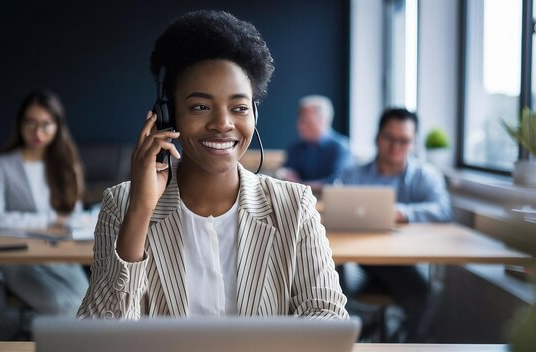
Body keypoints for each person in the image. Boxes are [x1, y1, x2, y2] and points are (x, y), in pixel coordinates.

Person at [77, 10, 348, 320]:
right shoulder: (121, 204)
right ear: (169, 115)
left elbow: (327, 317)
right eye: (200, 106)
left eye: (239, 107)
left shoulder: (293, 206)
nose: (222, 123)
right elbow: (98, 335)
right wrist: (140, 211)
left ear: (254, 115)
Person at [337, 107, 453, 341]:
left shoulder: (425, 175)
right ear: (378, 138)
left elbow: (443, 209)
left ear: (413, 143)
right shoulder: (353, 175)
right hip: (362, 258)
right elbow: (337, 208)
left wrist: (403, 212)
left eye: (404, 140)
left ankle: (395, 339)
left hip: (405, 260)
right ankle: (349, 334)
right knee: (328, 274)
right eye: (390, 138)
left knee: (423, 295)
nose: (395, 146)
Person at [0, 90, 89, 316]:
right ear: (20, 125)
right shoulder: (2, 165)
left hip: (59, 256)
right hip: (18, 258)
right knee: (64, 305)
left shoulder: (67, 164)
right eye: (30, 123)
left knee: (91, 304)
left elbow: (73, 216)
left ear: (57, 126)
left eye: (46, 124)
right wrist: (51, 219)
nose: (38, 132)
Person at [277, 95, 352, 192]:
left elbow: (337, 183)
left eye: (306, 121)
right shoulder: (295, 148)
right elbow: (286, 174)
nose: (300, 126)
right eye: (300, 120)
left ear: (323, 120)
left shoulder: (341, 148)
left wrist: (300, 184)